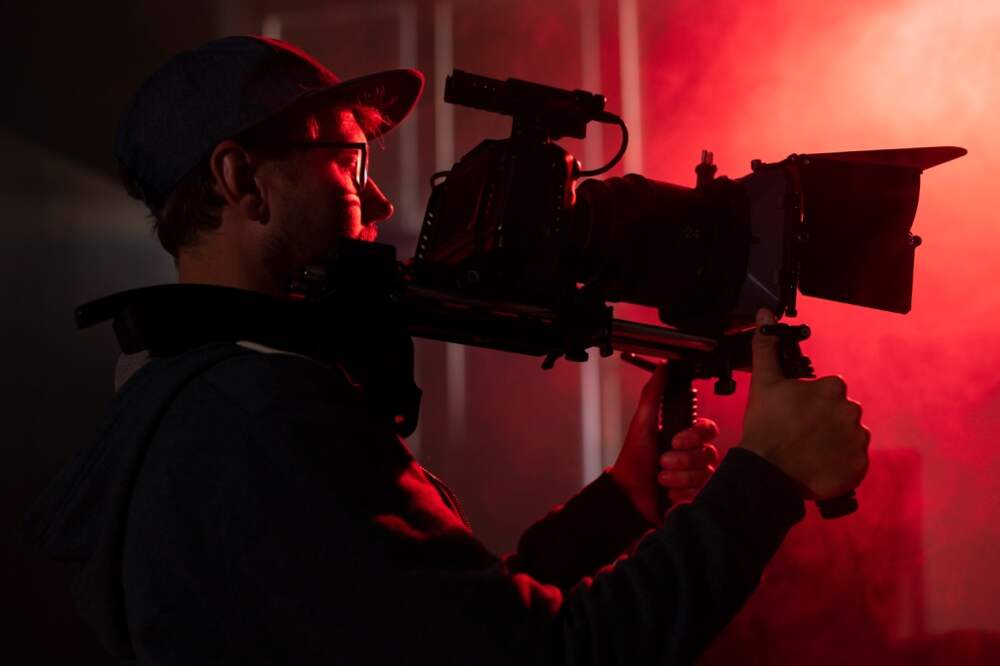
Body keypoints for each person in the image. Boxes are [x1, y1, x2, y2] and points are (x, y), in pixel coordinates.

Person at [24, 36, 870, 665]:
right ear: (242, 178)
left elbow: (445, 633)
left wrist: (618, 503)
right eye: (349, 159)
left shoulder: (190, 401)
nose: (379, 199)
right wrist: (766, 478)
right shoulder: (258, 418)